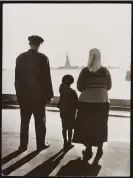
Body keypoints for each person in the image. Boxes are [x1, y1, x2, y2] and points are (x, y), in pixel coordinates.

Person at [15, 35, 54, 151]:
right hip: (39, 97)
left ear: (29, 44)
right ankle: (40, 145)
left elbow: (17, 79)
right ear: (38, 45)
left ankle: (23, 146)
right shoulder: (43, 58)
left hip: (24, 96)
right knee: (40, 122)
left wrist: (19, 95)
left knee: (24, 122)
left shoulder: (20, 58)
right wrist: (49, 95)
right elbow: (47, 78)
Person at [73, 48, 112, 163]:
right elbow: (109, 87)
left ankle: (88, 148)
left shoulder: (85, 71)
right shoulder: (105, 71)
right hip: (102, 101)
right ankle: (100, 148)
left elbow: (79, 87)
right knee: (100, 125)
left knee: (87, 125)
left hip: (86, 102)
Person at [58, 75, 78, 149]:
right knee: (70, 128)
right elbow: (77, 103)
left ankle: (65, 141)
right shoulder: (72, 92)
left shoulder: (61, 90)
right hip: (71, 112)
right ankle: (69, 142)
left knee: (64, 127)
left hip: (63, 111)